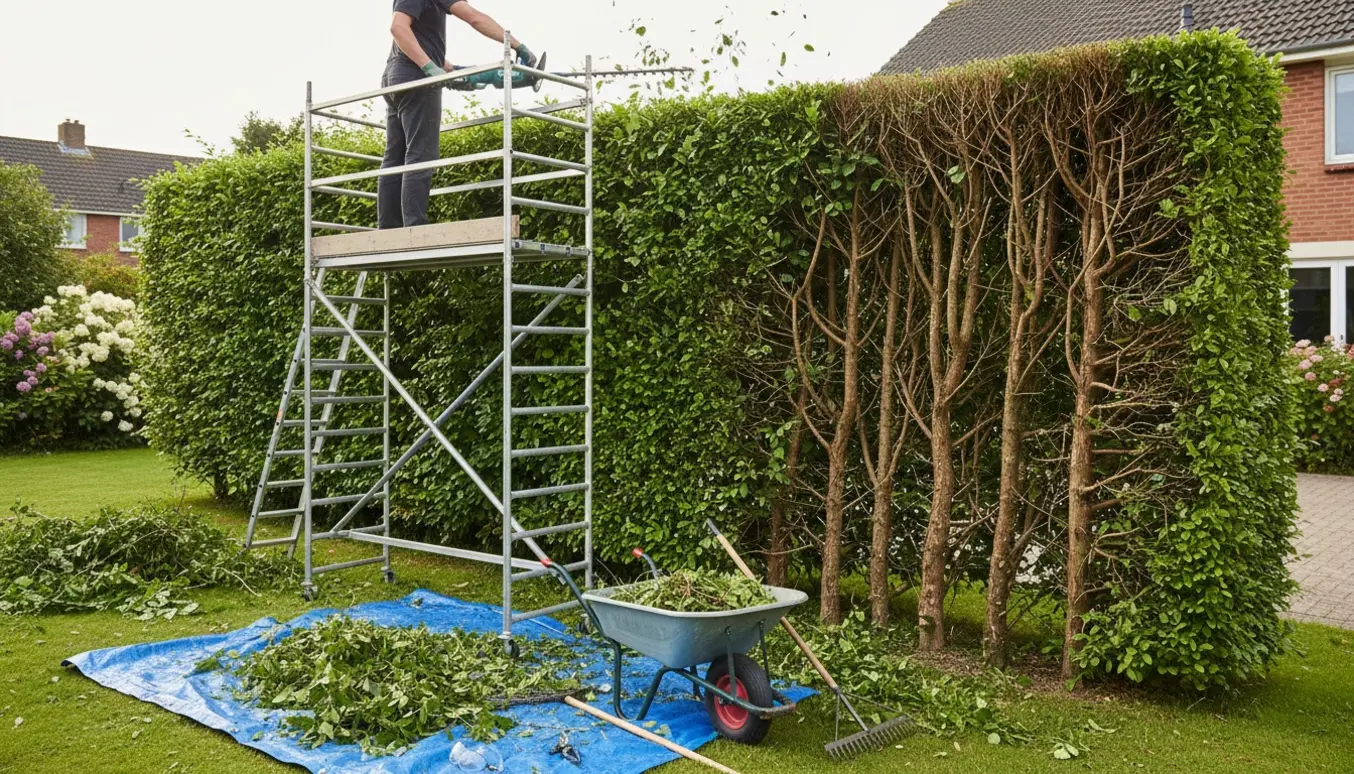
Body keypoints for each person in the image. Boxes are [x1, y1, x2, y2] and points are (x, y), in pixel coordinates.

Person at [380, 0, 536, 230]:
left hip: (396, 77)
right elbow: (472, 17)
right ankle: (414, 227)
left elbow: (417, 41)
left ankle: (388, 229)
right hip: (416, 78)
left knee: (395, 156)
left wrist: (457, 72)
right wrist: (517, 45)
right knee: (420, 152)